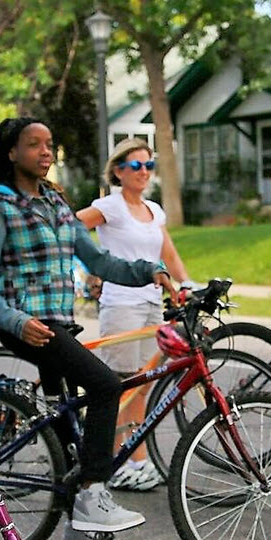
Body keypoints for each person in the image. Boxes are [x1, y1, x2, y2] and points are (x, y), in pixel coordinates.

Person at [0, 117, 175, 540]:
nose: (46, 152)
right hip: (25, 325)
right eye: (34, 145)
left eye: (50, 144)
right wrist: (17, 321)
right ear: (11, 153)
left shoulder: (56, 203)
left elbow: (100, 262)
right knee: (105, 385)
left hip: (57, 324)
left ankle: (79, 532)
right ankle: (94, 493)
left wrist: (149, 271)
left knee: (68, 432)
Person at [75, 138, 192, 492]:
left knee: (142, 386)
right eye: (136, 166)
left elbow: (167, 252)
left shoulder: (154, 211)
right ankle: (113, 459)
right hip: (121, 303)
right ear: (118, 172)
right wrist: (92, 267)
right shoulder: (109, 206)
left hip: (151, 303)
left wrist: (186, 284)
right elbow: (72, 228)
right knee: (120, 386)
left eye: (149, 165)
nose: (144, 172)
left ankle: (134, 458)